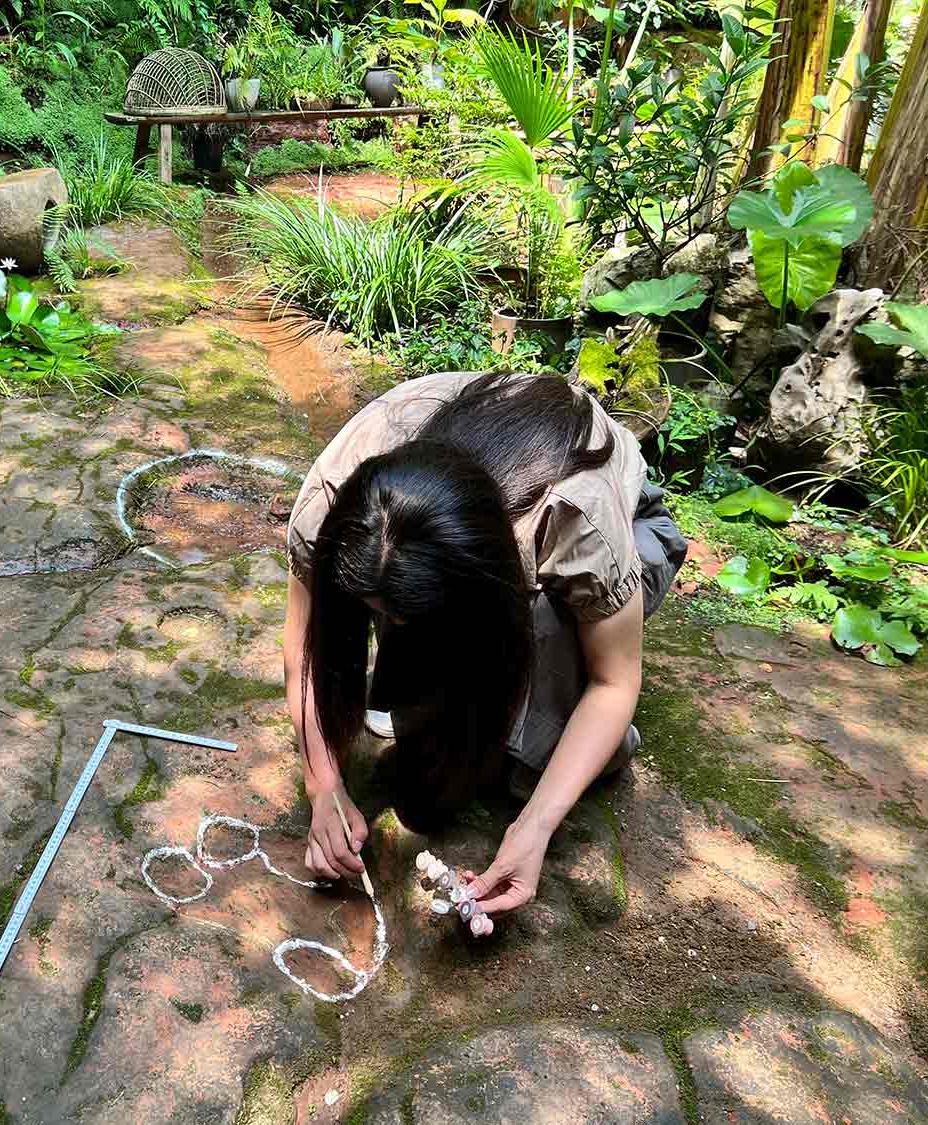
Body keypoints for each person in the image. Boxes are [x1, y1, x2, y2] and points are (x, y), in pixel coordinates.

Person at [282, 370, 687, 920]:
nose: (389, 628)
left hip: (628, 531)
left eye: (405, 618)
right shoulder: (334, 503)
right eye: (384, 618)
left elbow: (614, 681)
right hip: (460, 565)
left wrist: (534, 828)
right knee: (430, 772)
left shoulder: (574, 520)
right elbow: (306, 646)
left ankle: (552, 707)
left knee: (526, 757)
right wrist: (322, 783)